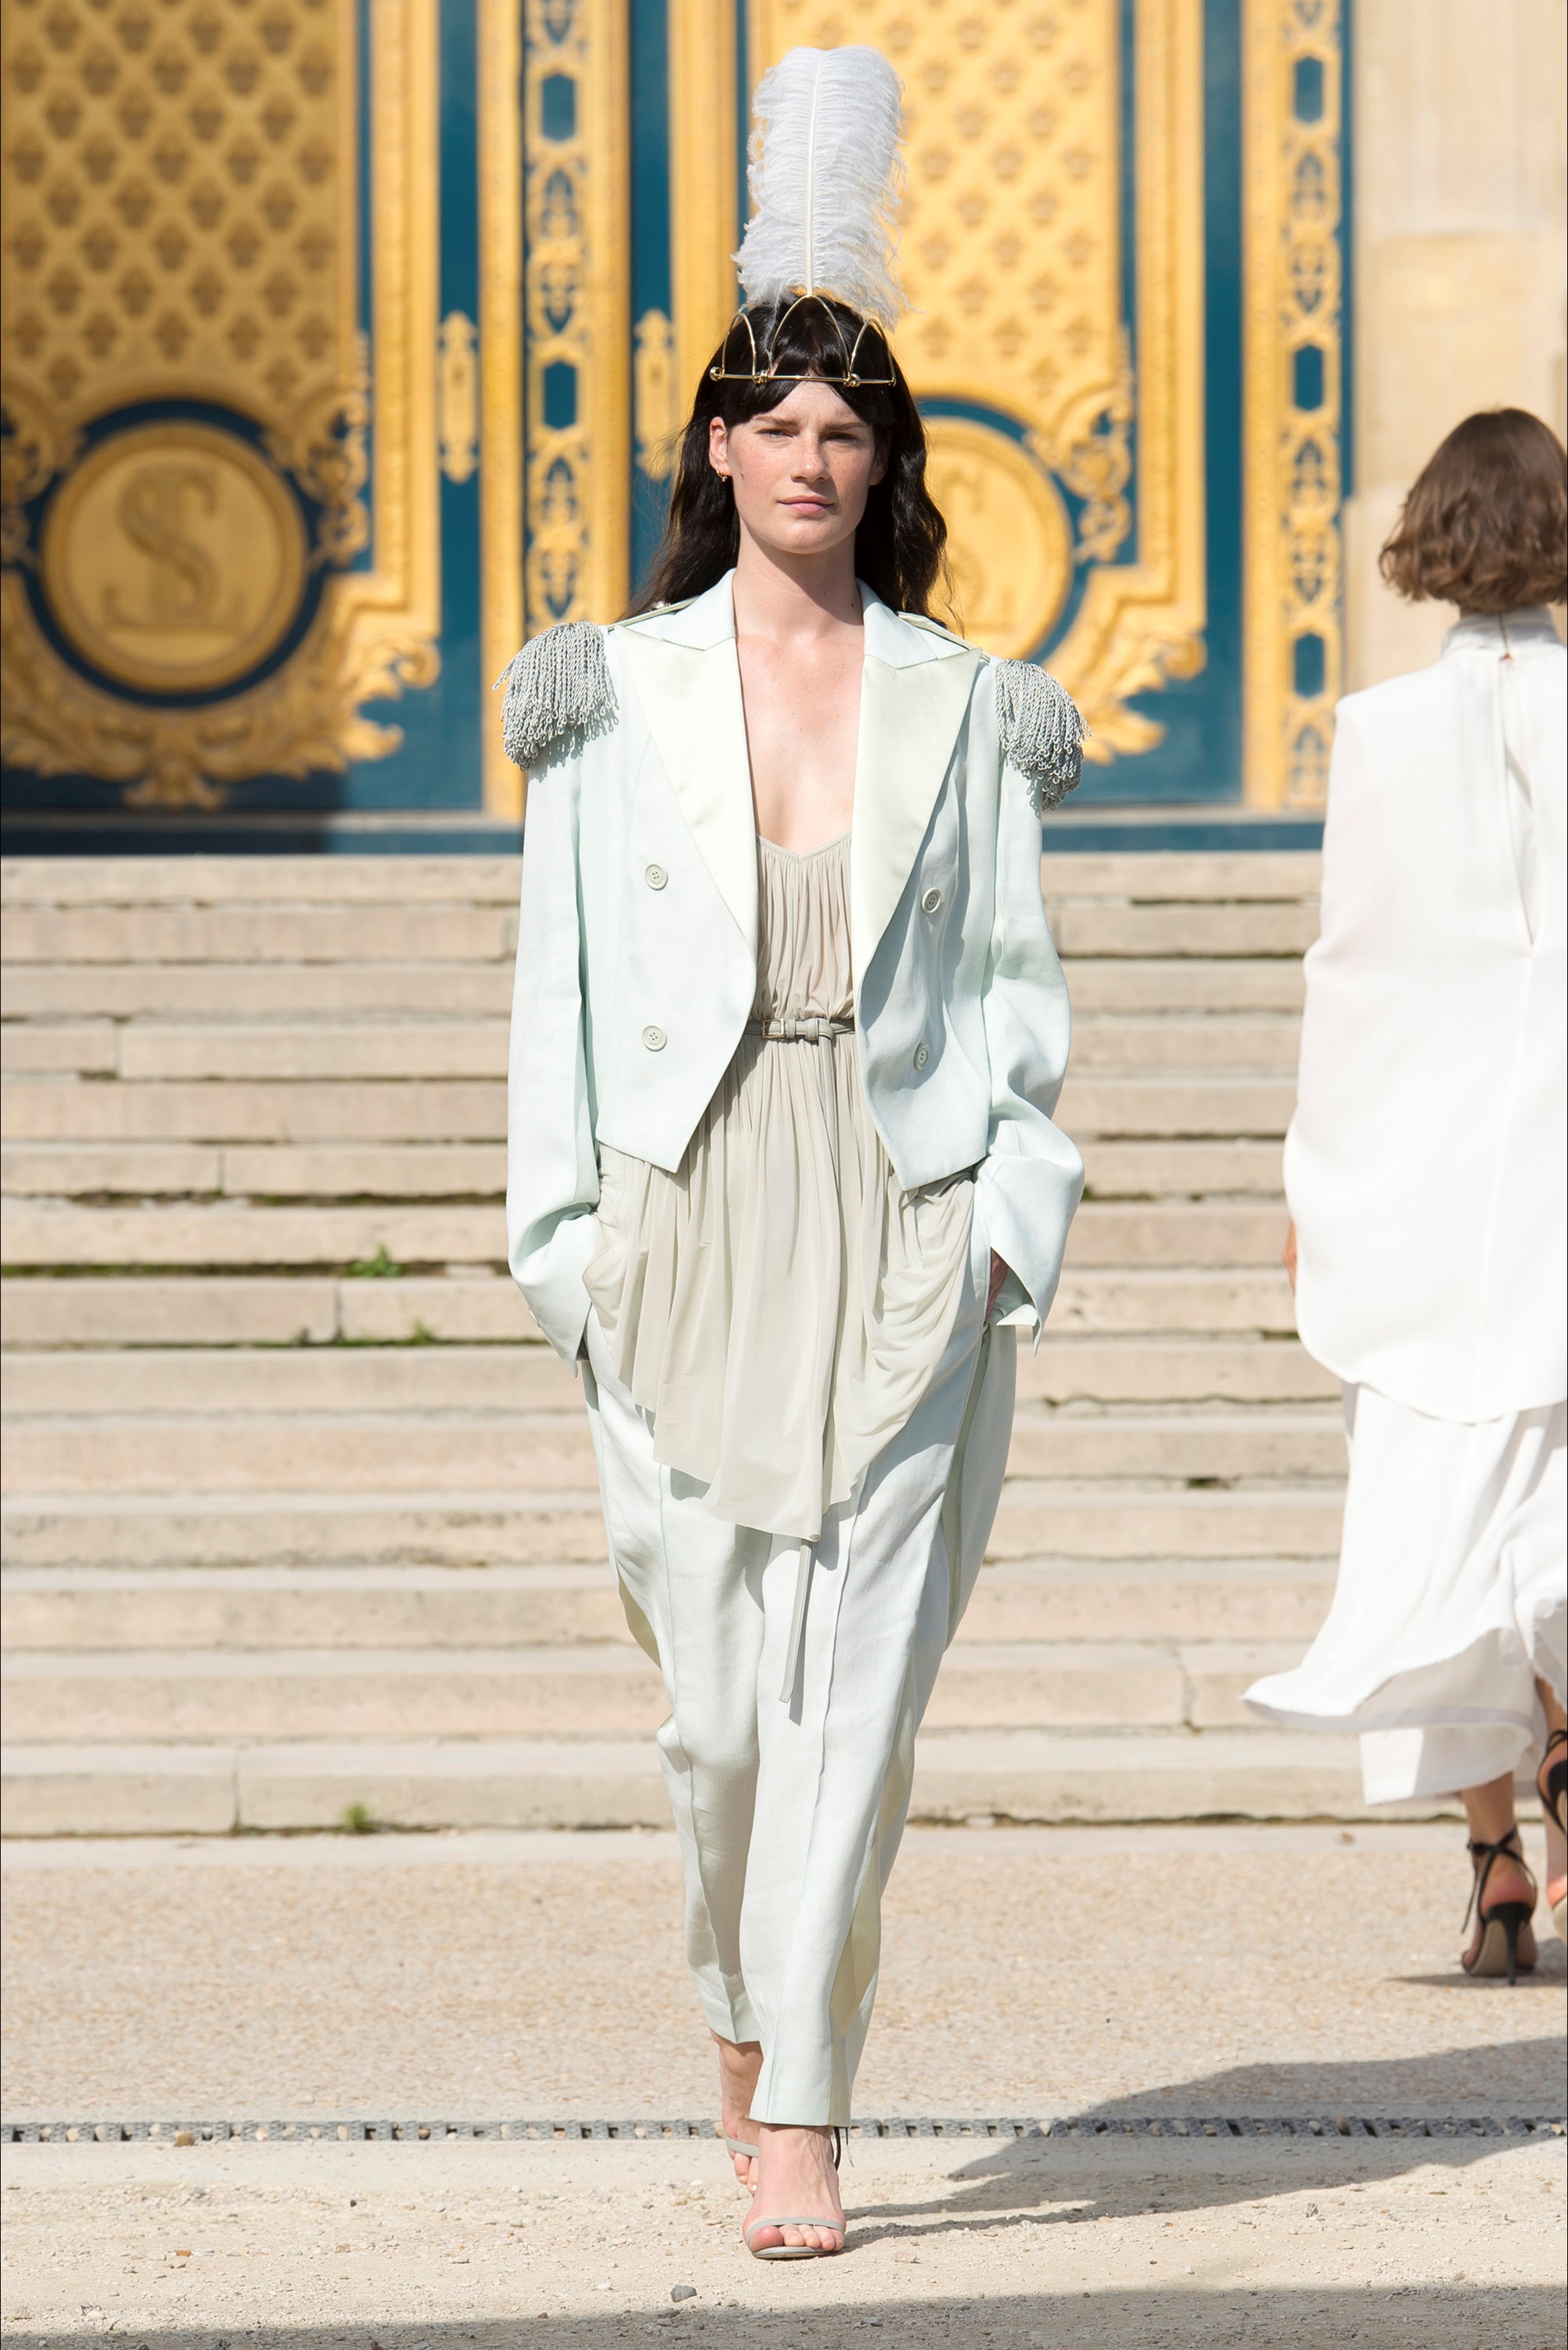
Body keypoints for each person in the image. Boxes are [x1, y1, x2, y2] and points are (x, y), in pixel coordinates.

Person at [499, 47, 1084, 2257]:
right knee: (723, 1716)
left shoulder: (970, 701)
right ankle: (744, 2010)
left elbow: (1018, 989)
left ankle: (808, 2109)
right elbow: (552, 991)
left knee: (860, 1691)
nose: (813, 459)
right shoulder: (603, 694)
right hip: (682, 1205)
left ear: (882, 459)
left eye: (849, 430)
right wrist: (566, 1248)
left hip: (904, 1202)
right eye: (779, 425)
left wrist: (1010, 1220)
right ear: (721, 450)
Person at [1247, 410, 1568, 1979]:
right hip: (1557, 1159)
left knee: (1437, 1495)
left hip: (1428, 1173)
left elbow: (1355, 973)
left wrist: (1318, 1176)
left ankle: (1495, 1855)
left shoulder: (1375, 730)